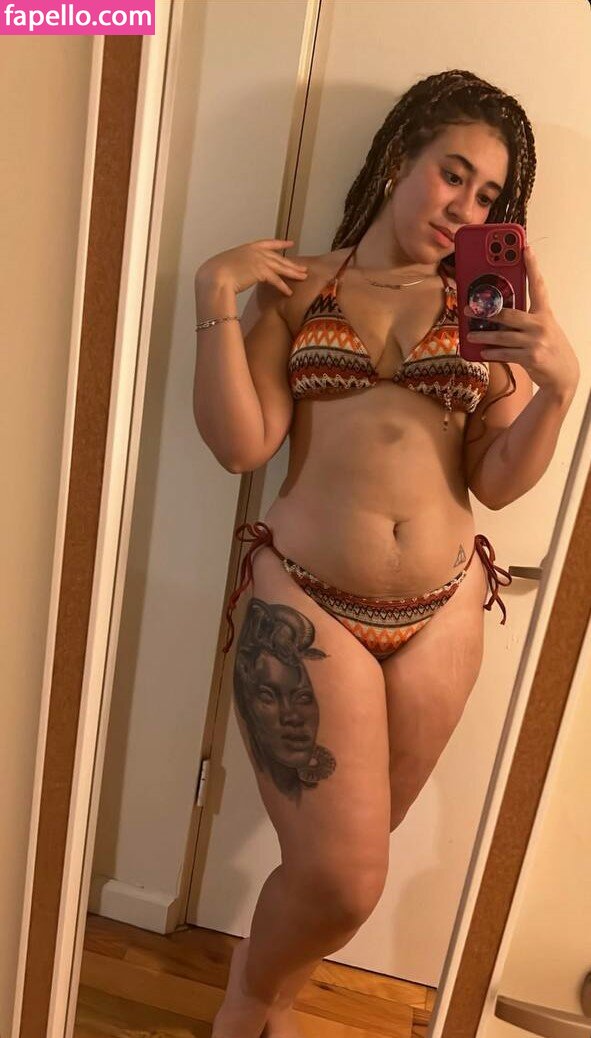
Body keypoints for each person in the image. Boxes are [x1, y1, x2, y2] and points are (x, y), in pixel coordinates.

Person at [193, 69, 579, 1038]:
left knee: (345, 865)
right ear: (401, 156)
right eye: (452, 175)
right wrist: (214, 298)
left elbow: (496, 482)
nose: (465, 209)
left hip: (440, 616)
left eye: (488, 196)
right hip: (306, 599)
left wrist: (557, 390)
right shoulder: (305, 290)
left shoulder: (485, 312)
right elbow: (241, 445)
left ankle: (274, 995)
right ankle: (248, 1002)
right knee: (345, 874)